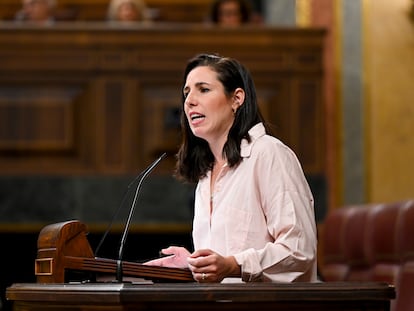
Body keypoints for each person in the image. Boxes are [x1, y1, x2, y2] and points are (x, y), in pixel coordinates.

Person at [143, 53, 318, 283]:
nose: (189, 101)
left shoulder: (268, 154)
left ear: (236, 98)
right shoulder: (207, 172)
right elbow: (222, 261)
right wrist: (192, 265)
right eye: (186, 93)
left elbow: (299, 250)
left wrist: (233, 265)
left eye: (203, 89)